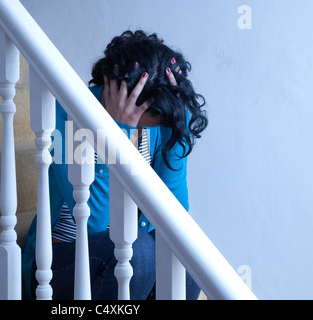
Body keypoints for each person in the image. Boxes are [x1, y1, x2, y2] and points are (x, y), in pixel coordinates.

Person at [21, 30, 208, 300]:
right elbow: (93, 222)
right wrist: (118, 131)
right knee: (137, 253)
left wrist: (175, 131)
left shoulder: (156, 126)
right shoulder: (67, 114)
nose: (143, 129)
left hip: (125, 260)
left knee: (186, 259)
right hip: (60, 263)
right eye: (141, 122)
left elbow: (174, 215)